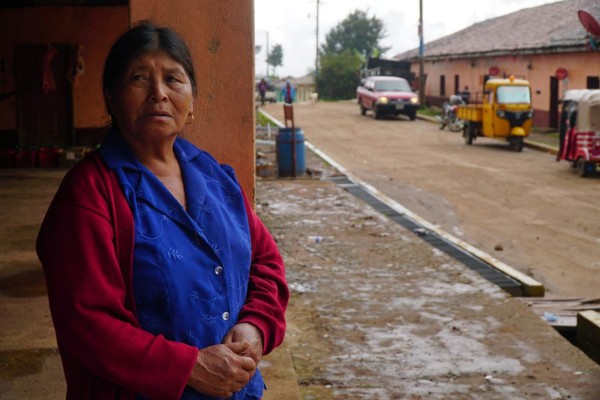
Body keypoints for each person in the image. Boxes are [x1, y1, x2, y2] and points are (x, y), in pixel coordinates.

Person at [36, 21, 288, 400]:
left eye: (173, 79)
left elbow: (266, 262)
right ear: (111, 97)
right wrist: (190, 368)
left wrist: (255, 325)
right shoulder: (89, 194)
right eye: (139, 78)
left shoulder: (215, 178)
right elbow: (87, 322)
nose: (158, 93)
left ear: (193, 100)